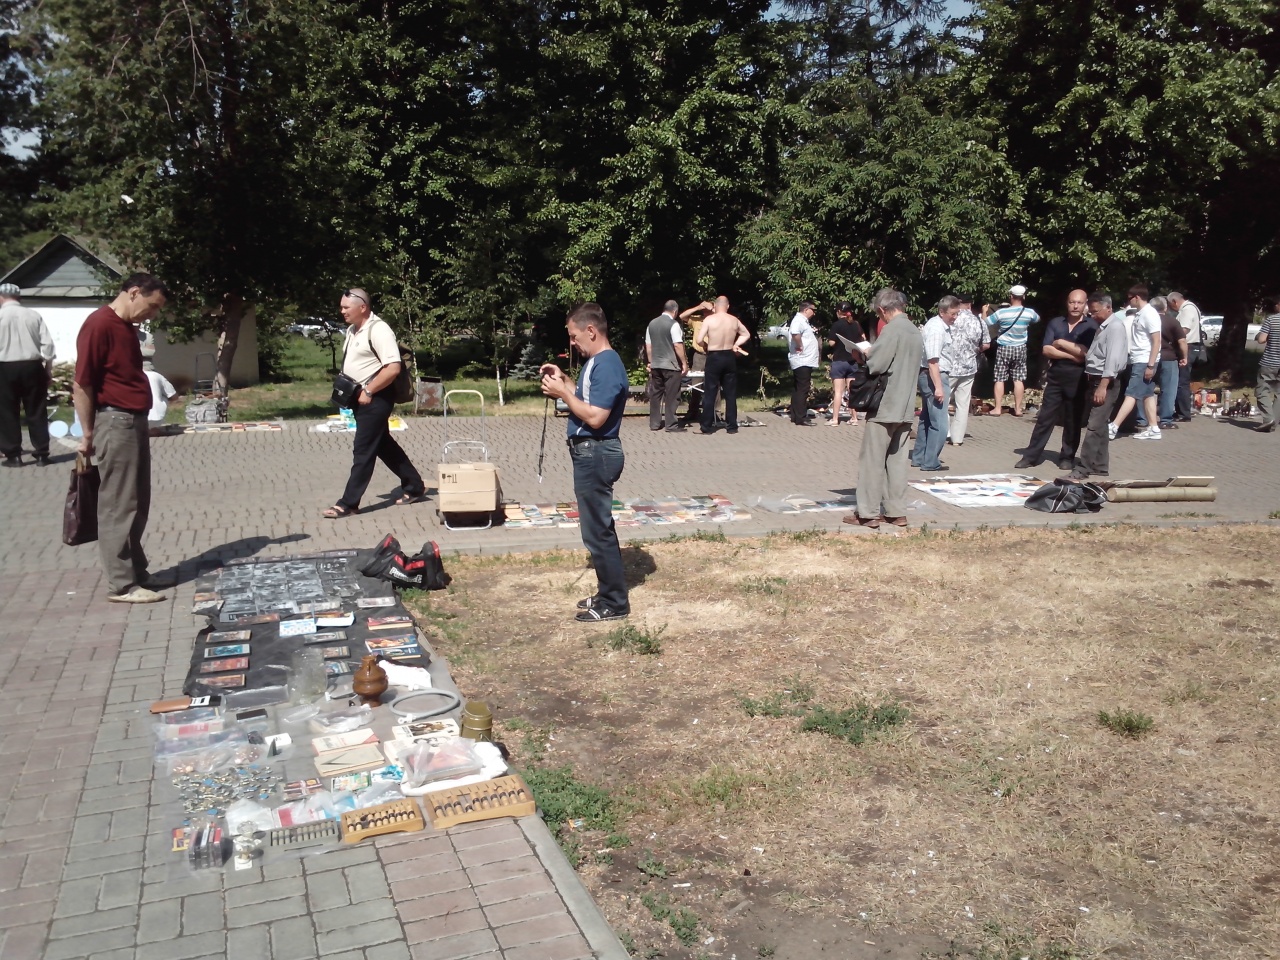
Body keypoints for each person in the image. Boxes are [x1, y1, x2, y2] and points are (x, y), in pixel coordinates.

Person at [72, 273, 173, 603]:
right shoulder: (100, 324)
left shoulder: (127, 327)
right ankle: (122, 584)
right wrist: (87, 434)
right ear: (133, 293)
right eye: (151, 305)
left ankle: (136, 572)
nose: (152, 314)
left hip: (133, 420)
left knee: (137, 500)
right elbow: (83, 383)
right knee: (119, 503)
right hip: (115, 421)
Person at [539, 303, 630, 622]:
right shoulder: (597, 363)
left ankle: (615, 603)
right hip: (591, 452)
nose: (572, 342)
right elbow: (586, 399)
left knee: (597, 532)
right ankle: (608, 593)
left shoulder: (607, 364)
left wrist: (563, 395)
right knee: (597, 528)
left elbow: (595, 416)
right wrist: (564, 382)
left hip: (597, 452)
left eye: (574, 336)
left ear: (591, 330)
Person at [323, 288, 426, 518]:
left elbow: (393, 368)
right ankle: (414, 485)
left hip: (376, 397)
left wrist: (369, 390)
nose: (342, 311)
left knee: (363, 450)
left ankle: (348, 503)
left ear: (363, 307)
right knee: (382, 444)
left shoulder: (379, 330)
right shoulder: (353, 330)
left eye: (346, 307)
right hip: (358, 396)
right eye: (341, 307)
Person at [844, 288, 923, 530]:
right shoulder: (914, 330)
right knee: (897, 461)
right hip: (906, 405)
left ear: (882, 309)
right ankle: (896, 512)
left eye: (878, 314)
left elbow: (877, 364)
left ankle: (868, 513)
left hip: (885, 405)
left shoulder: (892, 329)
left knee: (872, 460)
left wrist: (862, 355)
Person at [1014, 289, 1097, 470]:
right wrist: (1072, 355)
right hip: (1056, 376)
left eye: (1079, 303)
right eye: (1072, 302)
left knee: (1072, 420)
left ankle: (1067, 457)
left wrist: (1060, 343)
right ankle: (1031, 456)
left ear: (1085, 304)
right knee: (1045, 418)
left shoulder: (1091, 326)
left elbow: (1085, 352)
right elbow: (1046, 349)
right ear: (1067, 303)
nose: (1075, 306)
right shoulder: (1056, 323)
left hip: (1078, 379)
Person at [1069, 293, 1130, 480]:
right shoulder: (1103, 326)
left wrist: (1103, 386)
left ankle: (1083, 468)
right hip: (1095, 379)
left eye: (1096, 312)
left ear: (1108, 308)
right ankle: (1100, 465)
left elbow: (1112, 359)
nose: (1092, 315)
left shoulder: (1115, 327)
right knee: (1101, 424)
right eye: (1092, 312)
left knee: (1094, 426)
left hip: (1106, 382)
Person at [0, 282, 56, 467]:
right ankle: (42, 453)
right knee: (37, 409)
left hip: (5, 366)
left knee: (7, 411)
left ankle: (13, 455)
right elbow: (48, 345)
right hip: (32, 366)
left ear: (1, 297)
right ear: (19, 297)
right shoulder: (33, 315)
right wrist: (48, 369)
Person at [1108, 284, 1163, 441]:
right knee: (1147, 394)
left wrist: (1150, 365)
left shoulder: (1149, 314)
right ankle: (1154, 428)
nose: (1128, 301)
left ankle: (1114, 426)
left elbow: (1156, 340)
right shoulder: (1140, 313)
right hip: (1140, 359)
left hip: (1144, 361)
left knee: (1131, 394)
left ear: (1137, 297)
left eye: (1130, 298)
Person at [910, 296, 957, 472]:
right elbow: (933, 361)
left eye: (957, 313)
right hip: (934, 376)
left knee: (927, 418)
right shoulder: (937, 329)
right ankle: (930, 461)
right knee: (940, 422)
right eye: (952, 314)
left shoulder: (937, 325)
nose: (955, 317)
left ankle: (920, 457)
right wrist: (938, 387)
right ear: (942, 312)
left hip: (930, 375)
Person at [695, 296, 749, 434]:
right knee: (730, 393)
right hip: (729, 356)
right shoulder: (734, 320)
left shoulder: (709, 319)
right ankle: (732, 426)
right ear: (728, 306)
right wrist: (736, 344)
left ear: (715, 306)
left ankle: (706, 426)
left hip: (714, 356)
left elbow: (699, 339)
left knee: (710, 392)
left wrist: (705, 345)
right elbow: (746, 334)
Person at [986, 284, 1039, 416]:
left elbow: (987, 322)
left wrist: (984, 311)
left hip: (1004, 348)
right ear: (1024, 297)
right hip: (1020, 348)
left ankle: (997, 409)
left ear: (1011, 296)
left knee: (1000, 378)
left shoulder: (1002, 313)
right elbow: (1037, 319)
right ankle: (1018, 409)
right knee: (1018, 379)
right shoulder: (1029, 312)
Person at [947, 294, 989, 446]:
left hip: (949, 366)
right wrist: (975, 349)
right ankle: (957, 438)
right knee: (963, 404)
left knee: (943, 401)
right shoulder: (979, 320)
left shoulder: (950, 318)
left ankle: (944, 432)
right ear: (970, 304)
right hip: (969, 366)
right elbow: (986, 344)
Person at [644, 300, 687, 432]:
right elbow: (677, 345)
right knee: (672, 395)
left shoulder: (651, 324)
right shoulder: (673, 324)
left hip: (656, 365)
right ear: (675, 311)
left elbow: (648, 346)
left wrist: (651, 362)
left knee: (656, 395)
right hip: (671, 365)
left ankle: (654, 424)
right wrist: (684, 363)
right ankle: (671, 424)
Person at [826, 301, 865, 426]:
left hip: (839, 360)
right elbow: (863, 337)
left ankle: (835, 419)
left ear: (838, 312)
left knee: (838, 392)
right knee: (852, 390)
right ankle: (854, 418)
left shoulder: (837, 325)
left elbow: (831, 343)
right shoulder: (856, 324)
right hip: (852, 361)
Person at [1168, 291, 1203, 421]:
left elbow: (1183, 330)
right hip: (1190, 347)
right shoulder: (1191, 308)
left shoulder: (1187, 310)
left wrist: (1170, 338)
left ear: (1174, 302)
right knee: (1181, 380)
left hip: (1187, 347)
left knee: (1182, 382)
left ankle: (1183, 413)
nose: (1171, 308)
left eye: (1171, 305)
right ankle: (1180, 411)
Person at [1154, 297, 1187, 430]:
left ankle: (1142, 418)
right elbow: (1182, 341)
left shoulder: (1145, 320)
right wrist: (1184, 357)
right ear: (1165, 308)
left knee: (1146, 390)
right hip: (1169, 357)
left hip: (1149, 358)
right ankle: (1165, 420)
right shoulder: (1172, 321)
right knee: (1168, 390)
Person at [787, 302, 820, 426]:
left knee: (798, 388)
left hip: (805, 359)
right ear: (806, 310)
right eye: (813, 310)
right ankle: (801, 417)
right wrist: (800, 345)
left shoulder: (803, 321)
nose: (814, 313)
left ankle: (795, 415)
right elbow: (795, 333)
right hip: (802, 359)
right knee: (803, 388)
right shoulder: (798, 320)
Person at [679, 302, 708, 425]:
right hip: (699, 355)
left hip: (713, 354)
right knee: (696, 383)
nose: (706, 311)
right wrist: (698, 307)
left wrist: (714, 309)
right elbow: (682, 316)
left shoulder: (718, 320)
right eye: (704, 309)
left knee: (714, 383)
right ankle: (693, 411)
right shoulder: (698, 320)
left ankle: (714, 412)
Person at [1254, 295, 1280, 432]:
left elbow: (1261, 340)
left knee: (1262, 390)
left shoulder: (1271, 319)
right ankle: (1273, 423)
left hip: (1270, 361)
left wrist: (1260, 335)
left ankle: (1268, 418)